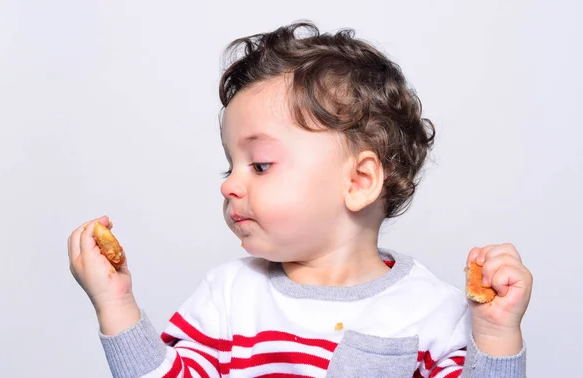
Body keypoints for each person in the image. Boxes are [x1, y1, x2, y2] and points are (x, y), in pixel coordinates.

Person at [68, 21, 532, 377]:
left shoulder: (432, 313)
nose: (229, 185)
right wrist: (117, 305)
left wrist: (494, 334)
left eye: (261, 165)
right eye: (230, 165)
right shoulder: (227, 300)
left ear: (359, 181)